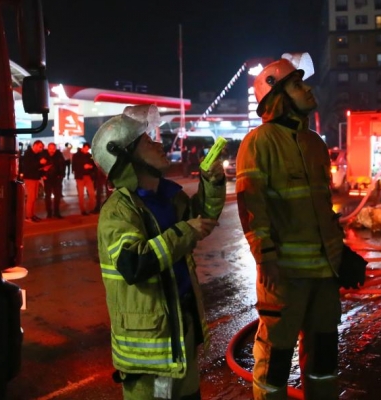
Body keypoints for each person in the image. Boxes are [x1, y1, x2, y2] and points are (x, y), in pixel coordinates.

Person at [92, 104, 225, 400]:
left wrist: (211, 183)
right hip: (150, 353)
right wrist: (185, 231)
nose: (159, 143)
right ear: (125, 155)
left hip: (179, 334)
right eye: (147, 141)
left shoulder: (168, 196)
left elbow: (200, 220)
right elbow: (134, 263)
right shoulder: (118, 212)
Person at [236, 53, 346, 399]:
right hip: (283, 275)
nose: (307, 89)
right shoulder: (259, 142)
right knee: (277, 357)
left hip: (324, 273)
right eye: (297, 84)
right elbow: (252, 205)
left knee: (324, 353)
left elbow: (321, 208)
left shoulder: (314, 143)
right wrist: (264, 255)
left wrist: (342, 254)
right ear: (278, 97)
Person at [20, 140, 45, 222]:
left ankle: (32, 214)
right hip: (30, 178)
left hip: (36, 177)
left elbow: (36, 165)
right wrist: (39, 163)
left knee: (34, 197)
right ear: (35, 145)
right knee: (31, 198)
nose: (41, 149)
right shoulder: (28, 153)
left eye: (42, 147)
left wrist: (42, 167)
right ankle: (28, 216)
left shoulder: (37, 154)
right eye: (40, 147)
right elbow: (29, 166)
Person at [41, 142, 66, 219]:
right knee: (47, 196)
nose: (52, 150)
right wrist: (43, 175)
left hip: (57, 178)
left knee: (57, 196)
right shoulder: (43, 155)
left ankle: (56, 212)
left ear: (55, 148)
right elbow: (40, 166)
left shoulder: (59, 155)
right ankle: (49, 212)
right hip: (47, 178)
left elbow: (62, 165)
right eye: (50, 148)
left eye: (53, 148)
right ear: (47, 148)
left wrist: (61, 175)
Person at [72, 142, 97, 215]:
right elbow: (74, 167)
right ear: (83, 148)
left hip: (88, 176)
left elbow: (94, 165)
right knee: (81, 194)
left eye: (88, 149)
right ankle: (83, 210)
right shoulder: (76, 156)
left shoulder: (89, 156)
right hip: (80, 177)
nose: (86, 150)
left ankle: (91, 208)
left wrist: (91, 167)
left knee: (92, 193)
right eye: (85, 149)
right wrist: (83, 167)